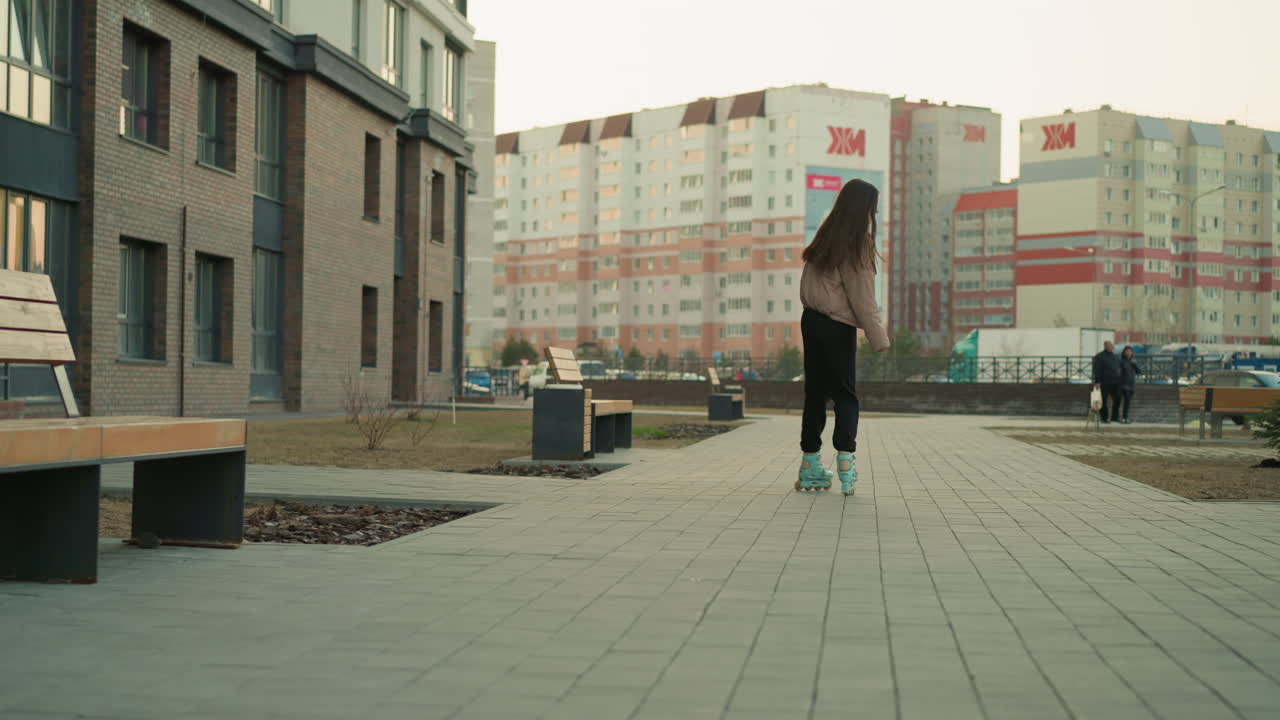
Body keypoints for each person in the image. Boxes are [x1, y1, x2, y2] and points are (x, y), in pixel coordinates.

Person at [796, 179, 890, 495]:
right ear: (864, 209)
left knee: (816, 394)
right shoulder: (857, 244)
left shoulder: (826, 234)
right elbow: (863, 297)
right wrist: (880, 338)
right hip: (837, 326)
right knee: (846, 395)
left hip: (811, 320)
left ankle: (810, 465)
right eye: (872, 209)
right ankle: (846, 463)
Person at [1091, 340, 1123, 423]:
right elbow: (1096, 369)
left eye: (1112, 346)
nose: (1111, 347)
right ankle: (1104, 418)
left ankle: (1114, 417)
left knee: (1118, 399)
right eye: (1109, 346)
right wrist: (1097, 381)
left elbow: (1119, 368)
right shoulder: (1100, 356)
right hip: (1104, 382)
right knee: (1103, 401)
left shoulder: (1115, 356)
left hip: (1116, 382)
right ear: (1105, 346)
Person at [1118, 345, 1142, 424]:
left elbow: (1139, 372)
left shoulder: (1133, 361)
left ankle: (1125, 417)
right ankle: (1121, 417)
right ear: (1124, 352)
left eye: (1130, 351)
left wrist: (1134, 364)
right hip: (1123, 384)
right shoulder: (1121, 361)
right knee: (1123, 401)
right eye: (1127, 351)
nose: (1128, 353)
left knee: (1127, 402)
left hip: (1131, 384)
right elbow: (1118, 371)